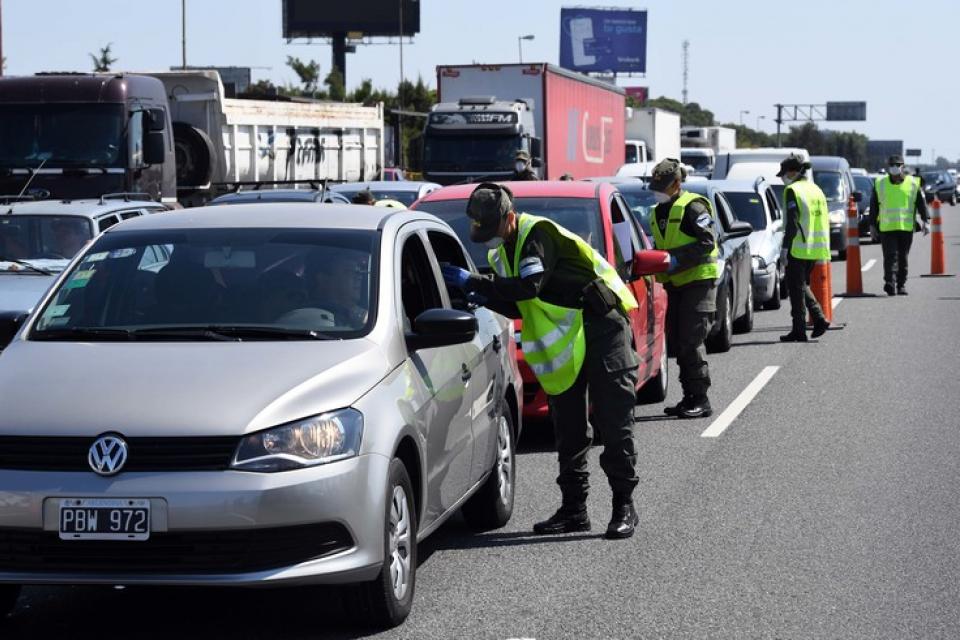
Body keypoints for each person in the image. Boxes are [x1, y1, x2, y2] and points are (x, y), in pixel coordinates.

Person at [441, 182, 641, 539]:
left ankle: (623, 505)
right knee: (568, 428)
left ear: (509, 216)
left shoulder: (537, 234)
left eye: (493, 228)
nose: (488, 237)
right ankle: (574, 510)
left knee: (614, 420)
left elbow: (530, 286)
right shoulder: (503, 253)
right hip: (566, 339)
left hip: (601, 327)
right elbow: (518, 303)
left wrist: (477, 283)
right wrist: (478, 294)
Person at [647, 159, 718, 419]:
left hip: (698, 283)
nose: (658, 190)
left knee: (691, 340)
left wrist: (674, 259)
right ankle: (689, 396)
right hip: (675, 285)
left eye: (663, 185)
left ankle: (701, 398)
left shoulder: (694, 206)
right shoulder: (657, 211)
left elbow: (707, 242)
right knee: (678, 342)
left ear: (677, 183)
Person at [777, 154, 831, 342]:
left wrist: (785, 248)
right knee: (801, 286)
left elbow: (792, 223)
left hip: (798, 247)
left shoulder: (794, 190)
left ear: (793, 172)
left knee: (795, 289)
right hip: (815, 248)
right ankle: (819, 319)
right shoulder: (815, 189)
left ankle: (799, 330)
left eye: (784, 173)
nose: (783, 177)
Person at [870, 155, 928, 296]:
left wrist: (926, 221)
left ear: (902, 166)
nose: (894, 168)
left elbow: (921, 203)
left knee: (903, 257)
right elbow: (873, 206)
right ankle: (890, 283)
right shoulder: (880, 183)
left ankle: (901, 284)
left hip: (906, 228)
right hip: (887, 228)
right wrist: (872, 226)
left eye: (897, 165)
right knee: (890, 256)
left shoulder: (913, 183)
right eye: (892, 165)